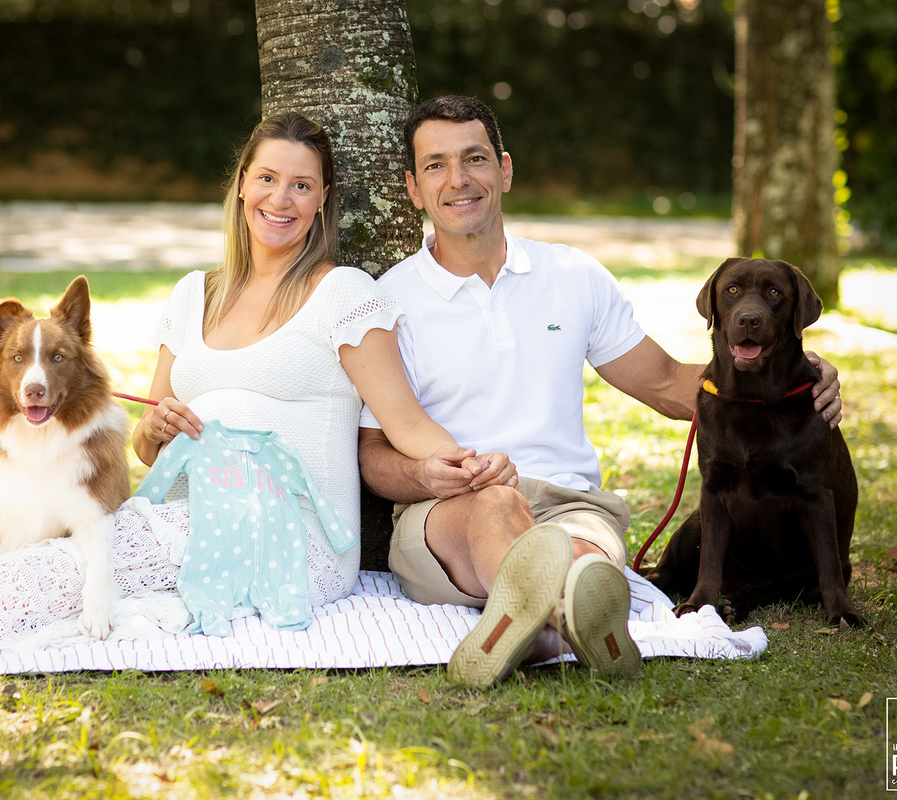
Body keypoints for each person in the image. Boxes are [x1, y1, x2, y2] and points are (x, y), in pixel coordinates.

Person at [0, 111, 486, 666]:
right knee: (91, 558)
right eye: (268, 178)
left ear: (322, 199)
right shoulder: (193, 297)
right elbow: (148, 445)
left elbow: (405, 420)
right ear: (242, 184)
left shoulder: (343, 295)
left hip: (290, 534)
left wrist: (471, 468)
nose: (282, 199)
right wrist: (156, 432)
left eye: (302, 186)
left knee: (115, 553)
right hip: (180, 510)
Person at [357, 95, 845, 687]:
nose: (458, 180)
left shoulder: (573, 276)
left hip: (571, 505)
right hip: (449, 510)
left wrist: (793, 375)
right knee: (498, 508)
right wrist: (425, 477)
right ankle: (559, 626)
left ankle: (540, 626)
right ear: (413, 187)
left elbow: (668, 382)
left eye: (475, 159)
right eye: (436, 165)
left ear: (505, 169)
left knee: (585, 556)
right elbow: (373, 452)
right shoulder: (387, 301)